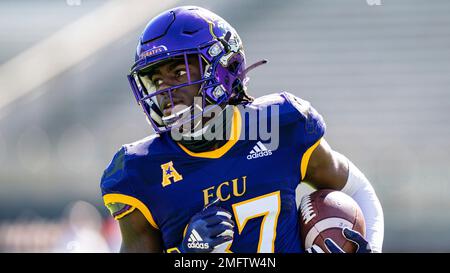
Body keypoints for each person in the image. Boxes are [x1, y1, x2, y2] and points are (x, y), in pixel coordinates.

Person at [100, 6, 384, 253]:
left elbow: (357, 189)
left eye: (179, 72)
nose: (166, 91)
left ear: (224, 68)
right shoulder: (139, 172)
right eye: (156, 81)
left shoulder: (283, 124)